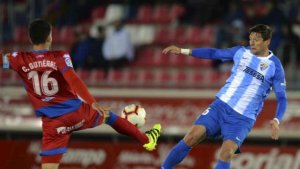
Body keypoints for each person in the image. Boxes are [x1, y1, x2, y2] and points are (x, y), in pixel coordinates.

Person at [0, 19, 161, 169]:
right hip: (76, 113)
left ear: (30, 38)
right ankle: (147, 140)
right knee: (108, 116)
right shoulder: (60, 56)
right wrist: (92, 102)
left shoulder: (18, 59)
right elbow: (74, 80)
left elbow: (2, 60)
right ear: (50, 37)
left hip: (53, 124)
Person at [161, 24, 287, 169]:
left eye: (257, 39)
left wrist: (277, 119)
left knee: (226, 153)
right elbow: (214, 53)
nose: (252, 43)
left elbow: (282, 98)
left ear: (267, 41)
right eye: (250, 39)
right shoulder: (240, 52)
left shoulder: (275, 66)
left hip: (242, 118)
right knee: (191, 137)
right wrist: (183, 51)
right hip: (220, 106)